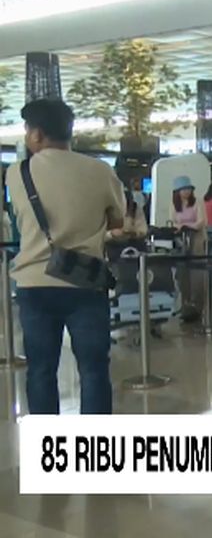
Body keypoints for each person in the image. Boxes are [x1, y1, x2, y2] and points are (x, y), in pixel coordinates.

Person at [8, 99, 125, 414]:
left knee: (41, 371)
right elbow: (118, 221)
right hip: (85, 282)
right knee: (94, 371)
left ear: (37, 134)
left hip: (34, 283)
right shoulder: (101, 171)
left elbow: (21, 218)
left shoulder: (17, 173)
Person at [170, 176, 207, 322]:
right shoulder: (174, 204)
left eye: (188, 189)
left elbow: (202, 221)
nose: (186, 192)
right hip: (181, 241)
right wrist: (179, 228)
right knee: (183, 274)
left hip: (197, 239)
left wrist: (189, 226)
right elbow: (172, 221)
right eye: (183, 190)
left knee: (198, 273)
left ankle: (198, 306)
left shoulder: (198, 202)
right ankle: (185, 305)